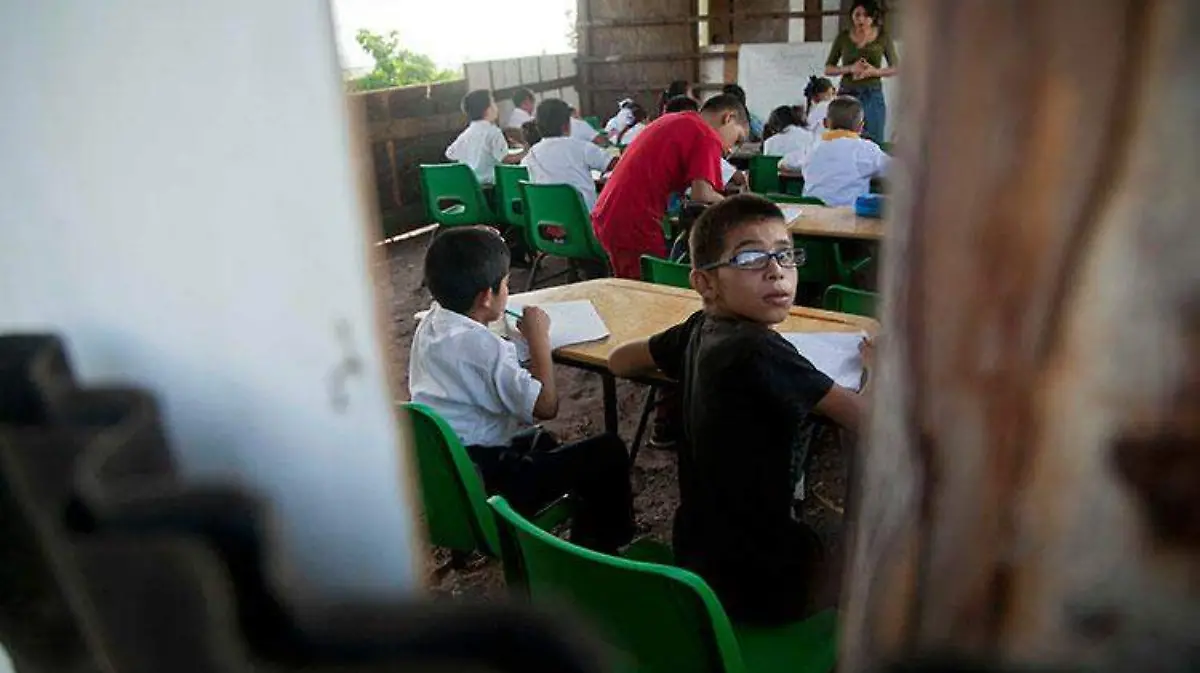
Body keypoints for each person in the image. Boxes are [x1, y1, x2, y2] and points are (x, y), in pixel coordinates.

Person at [607, 194, 868, 625]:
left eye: (785, 254)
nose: (776, 270)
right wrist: (877, 368)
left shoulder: (699, 327)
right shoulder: (759, 349)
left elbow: (619, 361)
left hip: (697, 554)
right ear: (704, 283)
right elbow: (868, 419)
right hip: (765, 582)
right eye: (750, 258)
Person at [409, 227, 634, 552]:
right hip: (491, 479)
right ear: (486, 297)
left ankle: (582, 528)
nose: (508, 289)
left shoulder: (430, 324)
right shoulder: (485, 349)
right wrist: (539, 339)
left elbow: (475, 363)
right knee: (608, 450)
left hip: (450, 469)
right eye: (505, 284)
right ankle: (602, 549)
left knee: (547, 443)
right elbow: (546, 406)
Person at [591, 93, 749, 279]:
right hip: (632, 220)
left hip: (610, 212)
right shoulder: (705, 134)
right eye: (737, 140)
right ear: (728, 118)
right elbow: (702, 194)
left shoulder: (676, 120)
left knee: (631, 285)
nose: (730, 150)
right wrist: (740, 209)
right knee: (647, 289)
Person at [522, 98, 618, 213]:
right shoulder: (581, 147)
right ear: (567, 126)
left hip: (546, 218)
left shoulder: (531, 155)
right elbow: (616, 164)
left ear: (538, 127)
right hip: (584, 218)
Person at [795, 96, 889, 206]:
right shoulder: (865, 149)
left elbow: (784, 163)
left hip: (810, 212)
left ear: (825, 123)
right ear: (861, 127)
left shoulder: (811, 147)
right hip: (847, 214)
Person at [825, 0, 898, 142]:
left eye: (866, 15)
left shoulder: (882, 37)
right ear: (851, 16)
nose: (861, 19)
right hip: (847, 92)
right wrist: (850, 68)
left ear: (873, 17)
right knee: (843, 137)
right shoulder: (843, 37)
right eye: (857, 15)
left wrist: (874, 72)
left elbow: (895, 67)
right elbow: (828, 68)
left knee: (874, 137)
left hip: (872, 92)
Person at [446, 89, 526, 186]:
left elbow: (450, 154)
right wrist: (524, 153)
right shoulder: (493, 132)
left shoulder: (467, 133)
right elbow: (505, 158)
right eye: (493, 103)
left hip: (471, 186)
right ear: (488, 110)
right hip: (492, 187)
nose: (496, 106)